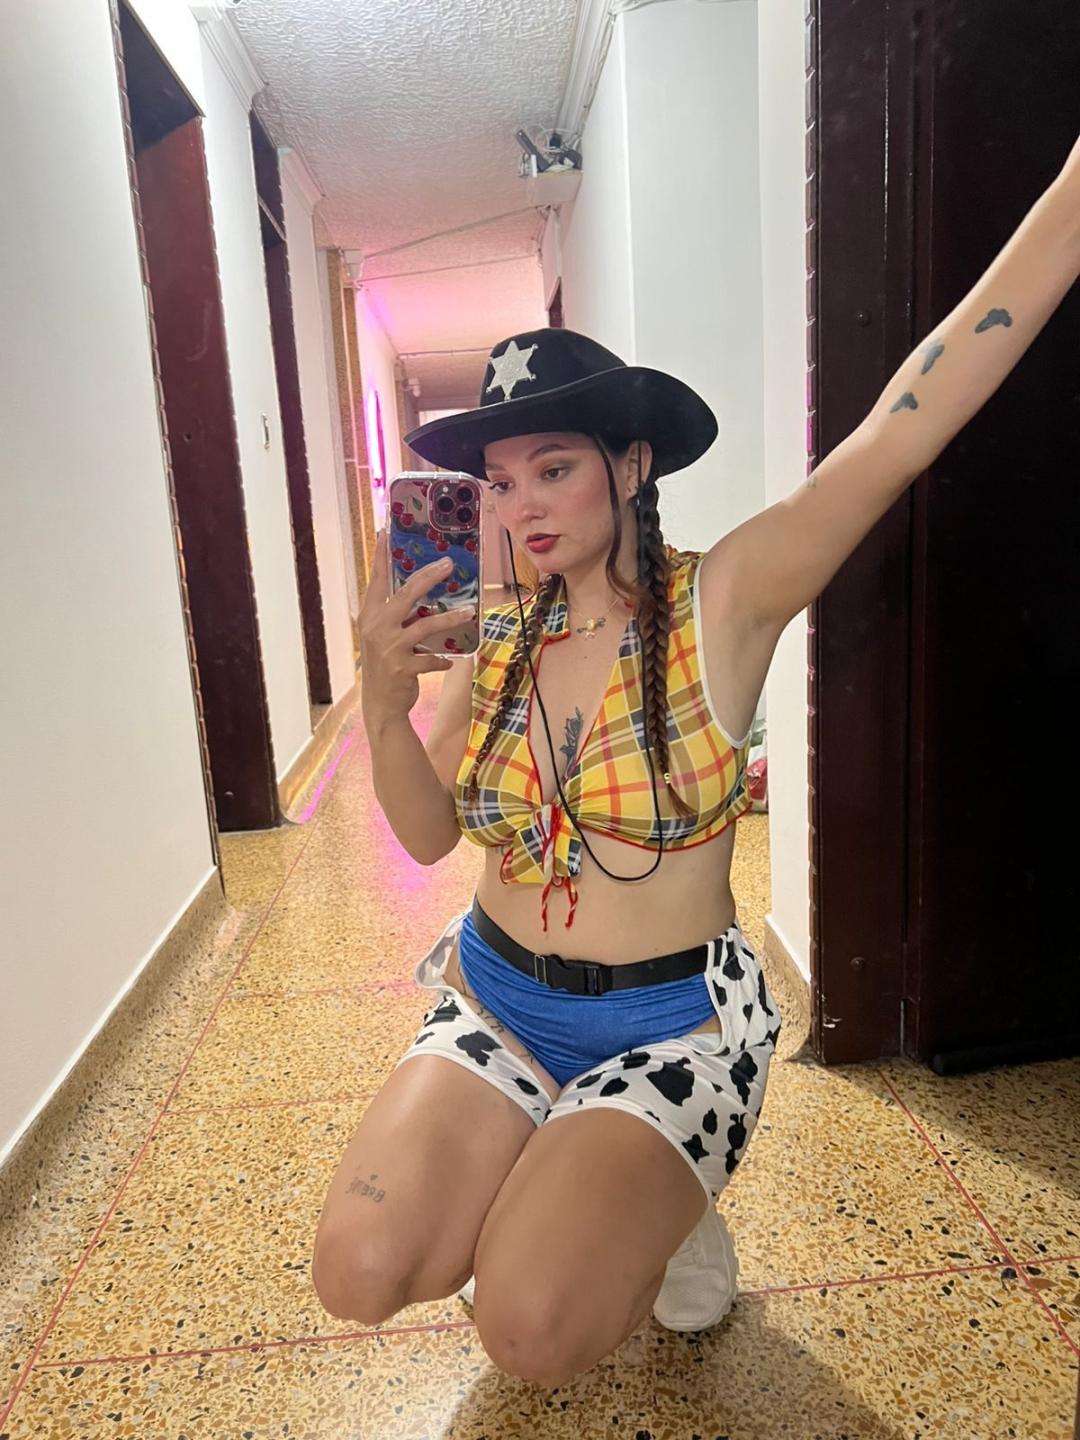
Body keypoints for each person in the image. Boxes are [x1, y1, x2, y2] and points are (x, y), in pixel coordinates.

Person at [312, 134, 1080, 1389]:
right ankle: (559, 1165)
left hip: (667, 1023)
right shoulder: (494, 635)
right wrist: (383, 706)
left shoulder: (723, 600)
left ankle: (655, 1202)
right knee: (355, 1270)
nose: (520, 506)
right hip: (499, 996)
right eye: (500, 482)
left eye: (553, 468)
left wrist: (1068, 207)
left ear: (631, 465)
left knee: (532, 1329)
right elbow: (430, 835)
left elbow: (902, 429)